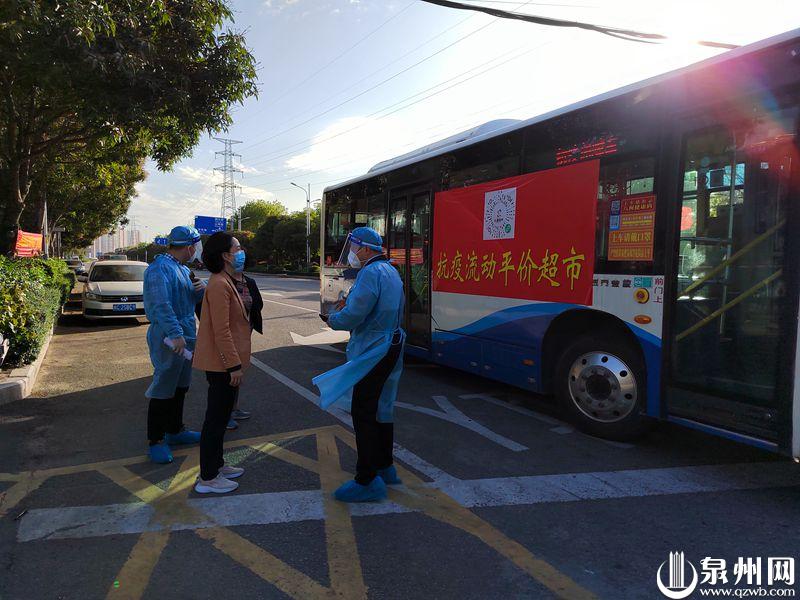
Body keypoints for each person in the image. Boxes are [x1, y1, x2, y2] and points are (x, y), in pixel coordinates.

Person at [313, 226, 405, 503]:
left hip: (373, 348)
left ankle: (367, 479)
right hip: (392, 343)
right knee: (382, 407)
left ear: (365, 249)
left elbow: (354, 313)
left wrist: (332, 320)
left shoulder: (370, 273)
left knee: (363, 410)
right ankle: (385, 466)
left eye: (353, 247)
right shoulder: (391, 270)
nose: (352, 252)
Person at [192, 232, 260, 494]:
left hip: (226, 361)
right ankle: (208, 478)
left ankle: (217, 465)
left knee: (220, 418)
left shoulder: (228, 280)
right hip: (222, 364)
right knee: (216, 420)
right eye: (237, 248)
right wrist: (233, 366)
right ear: (225, 255)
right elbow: (221, 331)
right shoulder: (220, 284)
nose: (242, 252)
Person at [143, 225, 206, 464]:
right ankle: (156, 440)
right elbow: (161, 305)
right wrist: (176, 333)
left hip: (185, 336)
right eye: (195, 246)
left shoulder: (183, 269)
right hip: (168, 337)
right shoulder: (158, 269)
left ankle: (175, 430)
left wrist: (201, 290)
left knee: (181, 386)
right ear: (189, 247)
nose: (196, 250)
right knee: (163, 386)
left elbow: (189, 300)